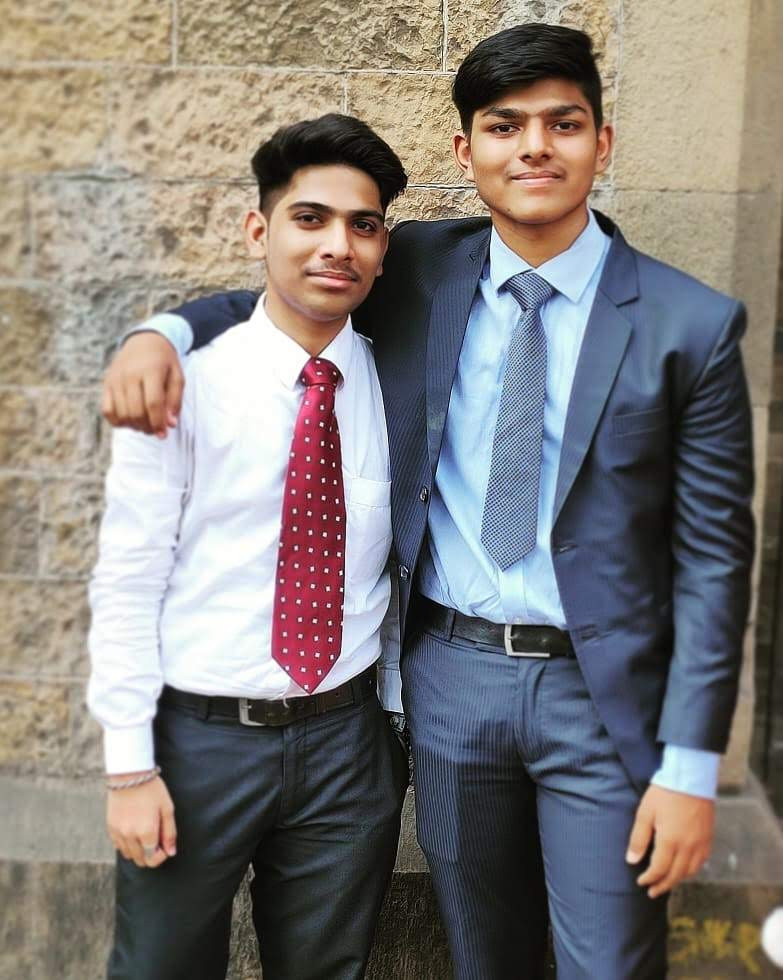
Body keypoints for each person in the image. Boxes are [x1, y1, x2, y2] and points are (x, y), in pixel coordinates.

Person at [101, 24, 754, 980]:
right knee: (478, 954)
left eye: (563, 123)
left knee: (610, 962)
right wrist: (160, 330)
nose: (533, 148)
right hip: (449, 681)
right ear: (466, 149)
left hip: (601, 693)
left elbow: (713, 563)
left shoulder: (687, 323)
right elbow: (290, 292)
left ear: (601, 143)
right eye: (504, 125)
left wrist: (690, 766)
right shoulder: (412, 266)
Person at [88, 114, 413, 980]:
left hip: (346, 744)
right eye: (309, 218)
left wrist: (387, 730)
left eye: (363, 225)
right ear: (257, 231)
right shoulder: (184, 381)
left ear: (383, 249)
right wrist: (129, 769)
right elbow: (127, 578)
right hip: (198, 744)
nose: (337, 245)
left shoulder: (400, 382)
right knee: (159, 968)